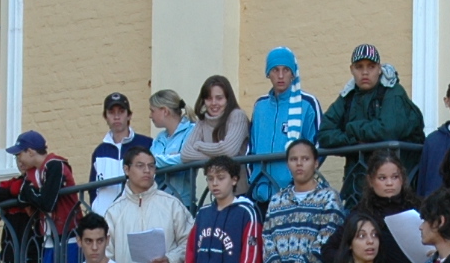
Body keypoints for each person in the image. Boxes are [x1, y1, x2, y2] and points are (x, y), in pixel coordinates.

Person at [318, 44, 425, 202]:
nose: (365, 72)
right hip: (357, 189)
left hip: (395, 189)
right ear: (351, 69)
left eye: (371, 66)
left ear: (379, 69)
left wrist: (352, 128)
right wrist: (354, 140)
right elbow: (324, 134)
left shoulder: (393, 92)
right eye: (359, 67)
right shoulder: (348, 96)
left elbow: (388, 130)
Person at [101, 145, 194, 263]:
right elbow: (106, 257)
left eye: (151, 166)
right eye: (140, 166)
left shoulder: (172, 205)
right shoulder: (114, 212)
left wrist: (171, 260)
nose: (147, 171)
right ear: (126, 169)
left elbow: (191, 241)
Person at [0, 132, 78, 263]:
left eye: (20, 154)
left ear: (31, 152)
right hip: (49, 238)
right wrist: (32, 193)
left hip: (68, 236)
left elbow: (47, 202)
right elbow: (23, 198)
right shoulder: (33, 173)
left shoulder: (55, 165)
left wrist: (30, 192)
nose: (18, 159)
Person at [246, 47, 323, 202]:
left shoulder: (307, 104)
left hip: (294, 193)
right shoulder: (260, 106)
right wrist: (253, 180)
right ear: (268, 73)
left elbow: (318, 145)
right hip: (260, 193)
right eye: (275, 70)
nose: (280, 76)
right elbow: (251, 148)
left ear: (293, 73)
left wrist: (299, 180)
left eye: (286, 70)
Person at [181, 74, 251, 178]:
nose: (214, 103)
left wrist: (199, 145)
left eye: (219, 98)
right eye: (209, 98)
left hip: (239, 183)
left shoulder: (237, 116)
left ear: (228, 99)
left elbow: (228, 150)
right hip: (215, 184)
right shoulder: (202, 122)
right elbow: (185, 154)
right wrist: (218, 157)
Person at [86, 92, 141, 214]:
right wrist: (97, 209)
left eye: (121, 112)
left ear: (129, 115)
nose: (116, 117)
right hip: (106, 218)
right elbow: (93, 188)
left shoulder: (146, 144)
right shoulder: (99, 152)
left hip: (137, 215)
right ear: (105, 117)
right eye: (111, 112)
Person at [147, 89, 196, 205]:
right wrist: (171, 157)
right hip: (158, 203)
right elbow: (149, 162)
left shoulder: (192, 130)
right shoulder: (160, 137)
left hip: (182, 202)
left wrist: (157, 160)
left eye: (152, 111)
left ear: (164, 111)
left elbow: (186, 158)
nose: (150, 116)